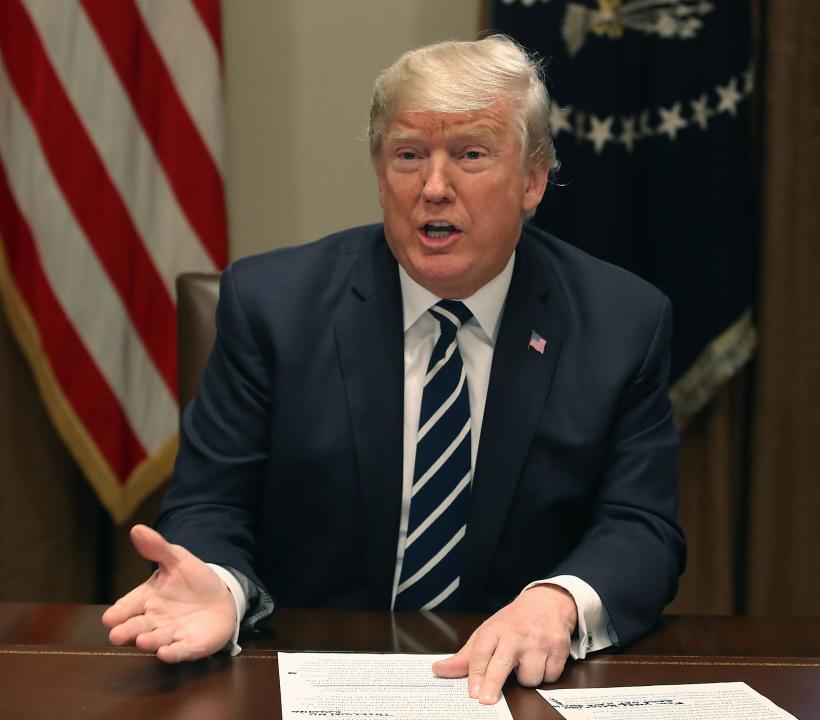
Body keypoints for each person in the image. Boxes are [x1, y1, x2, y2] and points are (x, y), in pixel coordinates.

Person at [102, 35, 685, 704]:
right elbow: (212, 502)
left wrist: (559, 602)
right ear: (381, 175)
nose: (435, 188)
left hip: (513, 686)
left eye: (470, 154)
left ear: (532, 180)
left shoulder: (620, 321)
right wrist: (224, 587)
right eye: (409, 156)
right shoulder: (271, 306)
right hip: (305, 679)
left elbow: (641, 525)